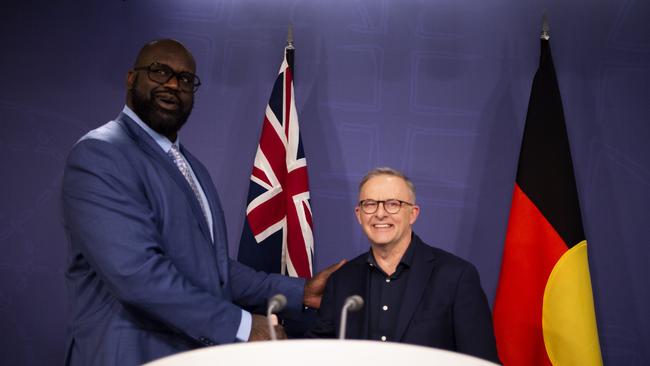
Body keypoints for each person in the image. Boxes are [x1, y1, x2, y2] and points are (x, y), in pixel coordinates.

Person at [61, 39, 340, 366]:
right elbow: (138, 277)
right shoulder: (101, 154)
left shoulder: (192, 167)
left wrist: (302, 292)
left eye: (185, 79)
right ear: (131, 78)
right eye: (159, 71)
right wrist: (244, 327)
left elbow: (214, 269)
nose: (172, 84)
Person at [308, 167, 500, 363]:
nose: (380, 214)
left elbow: (481, 361)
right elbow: (319, 356)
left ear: (413, 214)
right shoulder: (342, 280)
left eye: (393, 204)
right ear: (359, 214)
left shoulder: (455, 276)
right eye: (370, 204)